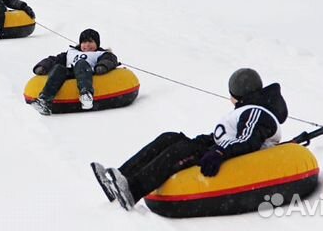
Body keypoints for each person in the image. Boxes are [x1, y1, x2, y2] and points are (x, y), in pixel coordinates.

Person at [90, 68, 288, 211]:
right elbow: (226, 136)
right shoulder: (248, 111)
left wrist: (218, 152)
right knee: (170, 138)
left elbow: (247, 140)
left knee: (179, 151)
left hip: (226, 156)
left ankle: (132, 191)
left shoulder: (257, 112)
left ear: (237, 94)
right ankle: (119, 177)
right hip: (215, 147)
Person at [30, 28, 118, 115]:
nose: (87, 45)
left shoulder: (100, 53)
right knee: (59, 68)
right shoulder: (71, 52)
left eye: (90, 42)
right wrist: (43, 66)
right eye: (84, 42)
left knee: (81, 63)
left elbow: (109, 59)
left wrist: (102, 66)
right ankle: (44, 100)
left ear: (97, 43)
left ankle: (86, 94)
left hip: (87, 72)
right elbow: (55, 59)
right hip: (70, 73)